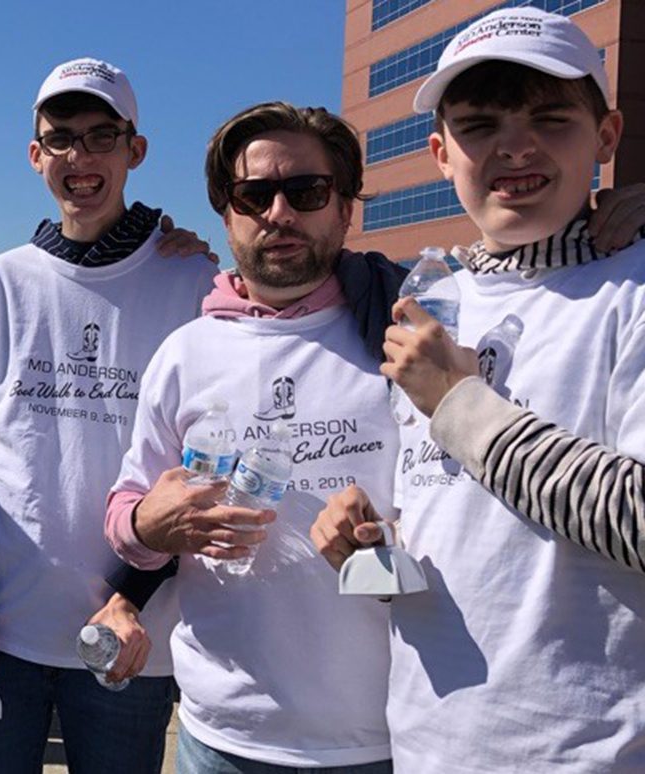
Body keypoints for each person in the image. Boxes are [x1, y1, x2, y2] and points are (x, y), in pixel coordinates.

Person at [311, 8, 645, 770]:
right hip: (429, 741)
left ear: (607, 137)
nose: (514, 147)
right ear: (440, 152)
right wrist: (370, 541)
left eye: (552, 119)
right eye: (479, 124)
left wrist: (461, 405)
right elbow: (461, 523)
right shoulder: (434, 300)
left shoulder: (632, 288)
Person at [0, 57, 217, 772]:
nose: (80, 158)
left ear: (135, 150)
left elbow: (203, 465)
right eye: (60, 139)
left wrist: (130, 598)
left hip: (132, 634)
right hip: (6, 633)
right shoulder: (5, 279)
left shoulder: (191, 279)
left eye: (100, 137)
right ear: (35, 156)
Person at [107, 103, 400, 773]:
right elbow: (126, 510)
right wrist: (149, 527)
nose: (279, 212)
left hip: (378, 739)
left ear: (344, 207)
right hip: (219, 736)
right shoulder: (185, 353)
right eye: (254, 194)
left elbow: (465, 541)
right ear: (226, 211)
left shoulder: (401, 340)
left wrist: (380, 555)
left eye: (306, 192)